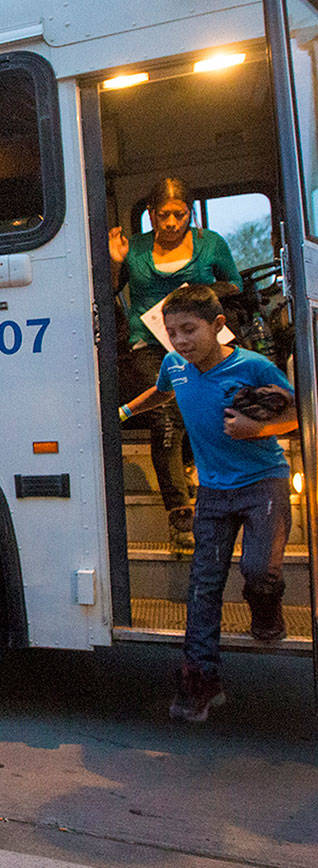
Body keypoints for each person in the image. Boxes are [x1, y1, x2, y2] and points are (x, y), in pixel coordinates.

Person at [120, 283, 296, 723]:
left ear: (218, 326)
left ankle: (267, 606)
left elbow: (296, 414)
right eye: (172, 332)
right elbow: (162, 392)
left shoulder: (253, 366)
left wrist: (256, 430)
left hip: (263, 484)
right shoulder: (174, 365)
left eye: (189, 330)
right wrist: (123, 412)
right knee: (203, 585)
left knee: (260, 570)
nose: (180, 341)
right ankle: (200, 680)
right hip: (214, 491)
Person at [110, 178, 243, 548]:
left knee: (207, 404)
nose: (170, 223)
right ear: (150, 214)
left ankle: (211, 484)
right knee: (167, 409)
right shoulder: (134, 247)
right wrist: (113, 261)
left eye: (179, 215)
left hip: (198, 341)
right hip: (149, 342)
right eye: (163, 215)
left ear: (190, 213)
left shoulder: (210, 243)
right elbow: (106, 291)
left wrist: (194, 295)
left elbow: (234, 284)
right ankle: (180, 513)